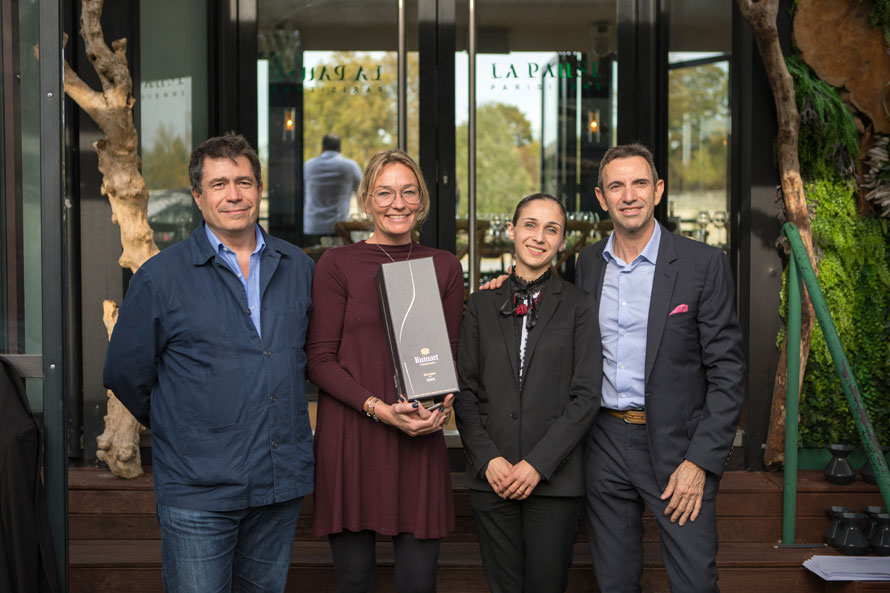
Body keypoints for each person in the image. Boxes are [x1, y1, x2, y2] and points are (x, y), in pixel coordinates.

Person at [103, 133, 315, 593]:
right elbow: (124, 372)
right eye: (218, 185)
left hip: (278, 485)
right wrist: (185, 425)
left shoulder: (298, 266)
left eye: (244, 182)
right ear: (197, 197)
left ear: (260, 190)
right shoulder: (161, 277)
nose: (234, 195)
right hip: (198, 489)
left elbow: (316, 355)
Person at [577, 142, 745, 592]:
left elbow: (727, 372)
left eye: (639, 183)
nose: (628, 195)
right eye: (616, 186)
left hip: (677, 446)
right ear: (601, 197)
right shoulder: (588, 262)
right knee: (614, 581)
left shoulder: (702, 264)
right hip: (606, 440)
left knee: (693, 581)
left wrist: (701, 461)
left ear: (659, 191)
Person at [306, 149, 463, 593]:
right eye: (385, 192)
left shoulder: (446, 266)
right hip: (352, 436)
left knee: (418, 582)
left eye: (408, 192)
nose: (398, 203)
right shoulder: (337, 265)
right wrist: (377, 408)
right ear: (367, 200)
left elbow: (447, 354)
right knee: (354, 579)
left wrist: (440, 407)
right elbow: (318, 359)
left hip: (417, 437)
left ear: (422, 200)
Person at [454, 193, 600, 593]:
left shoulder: (579, 306)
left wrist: (537, 464)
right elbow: (464, 392)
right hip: (493, 479)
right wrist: (489, 460)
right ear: (511, 231)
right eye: (530, 225)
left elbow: (586, 397)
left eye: (551, 229)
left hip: (554, 482)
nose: (539, 236)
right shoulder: (481, 304)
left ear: (563, 242)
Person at [303, 133, 363, 244]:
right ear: (340, 149)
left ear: (322, 149)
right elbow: (363, 193)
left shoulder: (308, 166)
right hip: (338, 228)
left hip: (312, 227)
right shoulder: (350, 166)